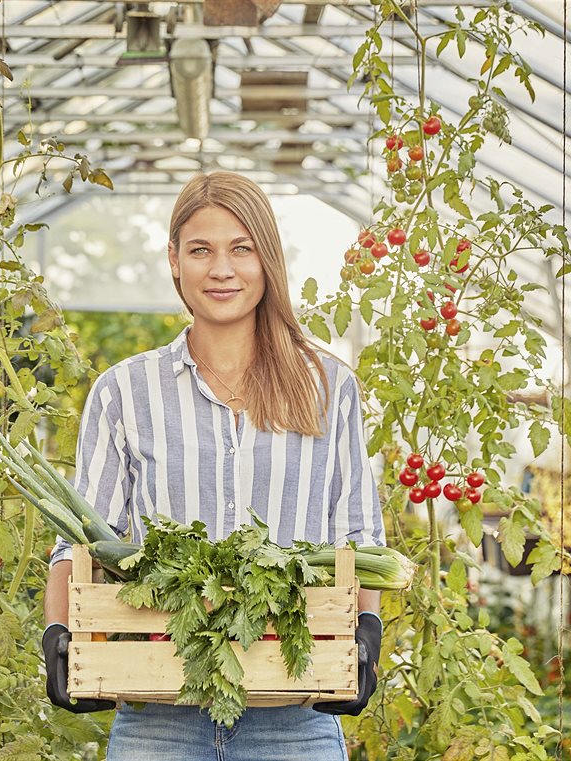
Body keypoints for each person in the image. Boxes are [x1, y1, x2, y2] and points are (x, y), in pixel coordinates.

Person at [41, 171, 386, 760]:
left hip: (294, 721)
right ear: (174, 260)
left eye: (241, 248)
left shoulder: (330, 388)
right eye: (200, 250)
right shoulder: (125, 391)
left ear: (266, 259)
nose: (221, 269)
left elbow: (359, 537)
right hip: (158, 718)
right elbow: (78, 543)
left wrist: (365, 637)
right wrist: (58, 635)